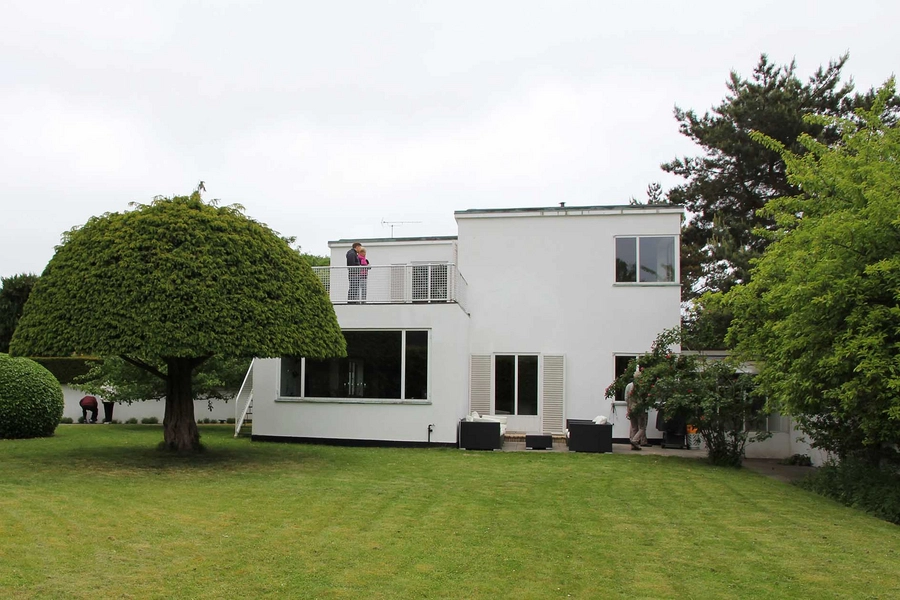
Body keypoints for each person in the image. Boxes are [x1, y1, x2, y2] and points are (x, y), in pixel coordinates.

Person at [625, 369, 648, 450]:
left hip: (631, 408)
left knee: (634, 427)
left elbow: (626, 399)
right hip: (639, 409)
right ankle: (634, 441)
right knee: (642, 427)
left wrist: (628, 410)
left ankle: (633, 445)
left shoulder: (628, 386)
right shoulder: (642, 386)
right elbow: (645, 399)